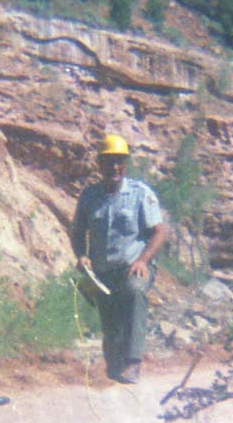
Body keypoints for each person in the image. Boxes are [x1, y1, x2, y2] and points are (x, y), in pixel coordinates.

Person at [70, 133, 168, 384]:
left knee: (134, 293)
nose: (114, 167)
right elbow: (78, 231)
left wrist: (143, 260)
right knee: (110, 323)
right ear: (99, 164)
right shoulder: (89, 197)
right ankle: (115, 364)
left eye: (119, 161)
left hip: (133, 267)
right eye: (109, 161)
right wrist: (81, 255)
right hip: (102, 272)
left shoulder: (140, 194)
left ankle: (134, 362)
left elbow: (159, 233)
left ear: (125, 164)